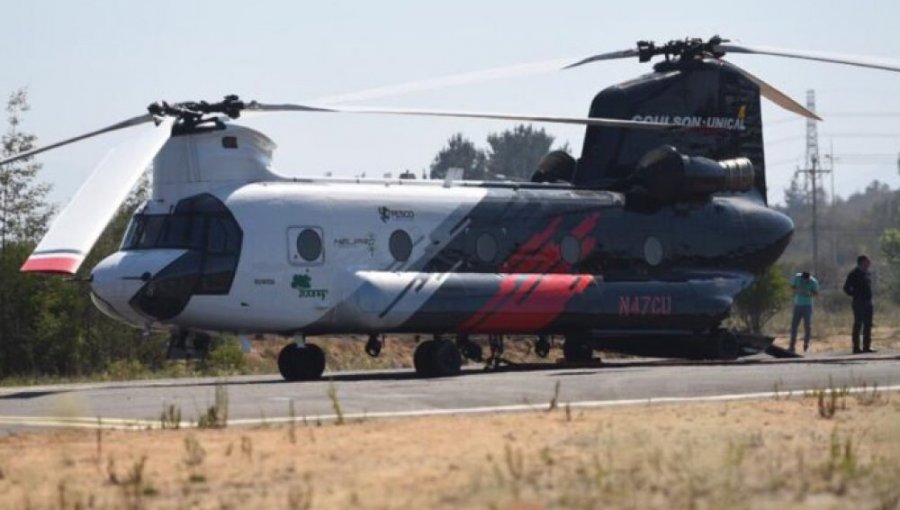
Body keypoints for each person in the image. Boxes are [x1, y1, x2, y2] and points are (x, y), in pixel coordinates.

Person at [843, 255, 874, 354]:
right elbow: (846, 288)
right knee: (858, 324)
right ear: (861, 262)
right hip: (858, 302)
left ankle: (866, 347)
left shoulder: (867, 273)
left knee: (868, 325)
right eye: (867, 262)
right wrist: (855, 294)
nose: (868, 263)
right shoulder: (854, 274)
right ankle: (856, 348)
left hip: (868, 302)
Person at [789, 271, 819, 353]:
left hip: (807, 305)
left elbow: (816, 293)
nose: (805, 281)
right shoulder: (797, 277)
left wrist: (809, 294)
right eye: (803, 279)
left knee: (807, 326)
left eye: (807, 280)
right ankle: (792, 346)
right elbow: (792, 287)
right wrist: (797, 290)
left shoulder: (813, 282)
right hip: (798, 304)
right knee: (794, 326)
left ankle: (806, 344)